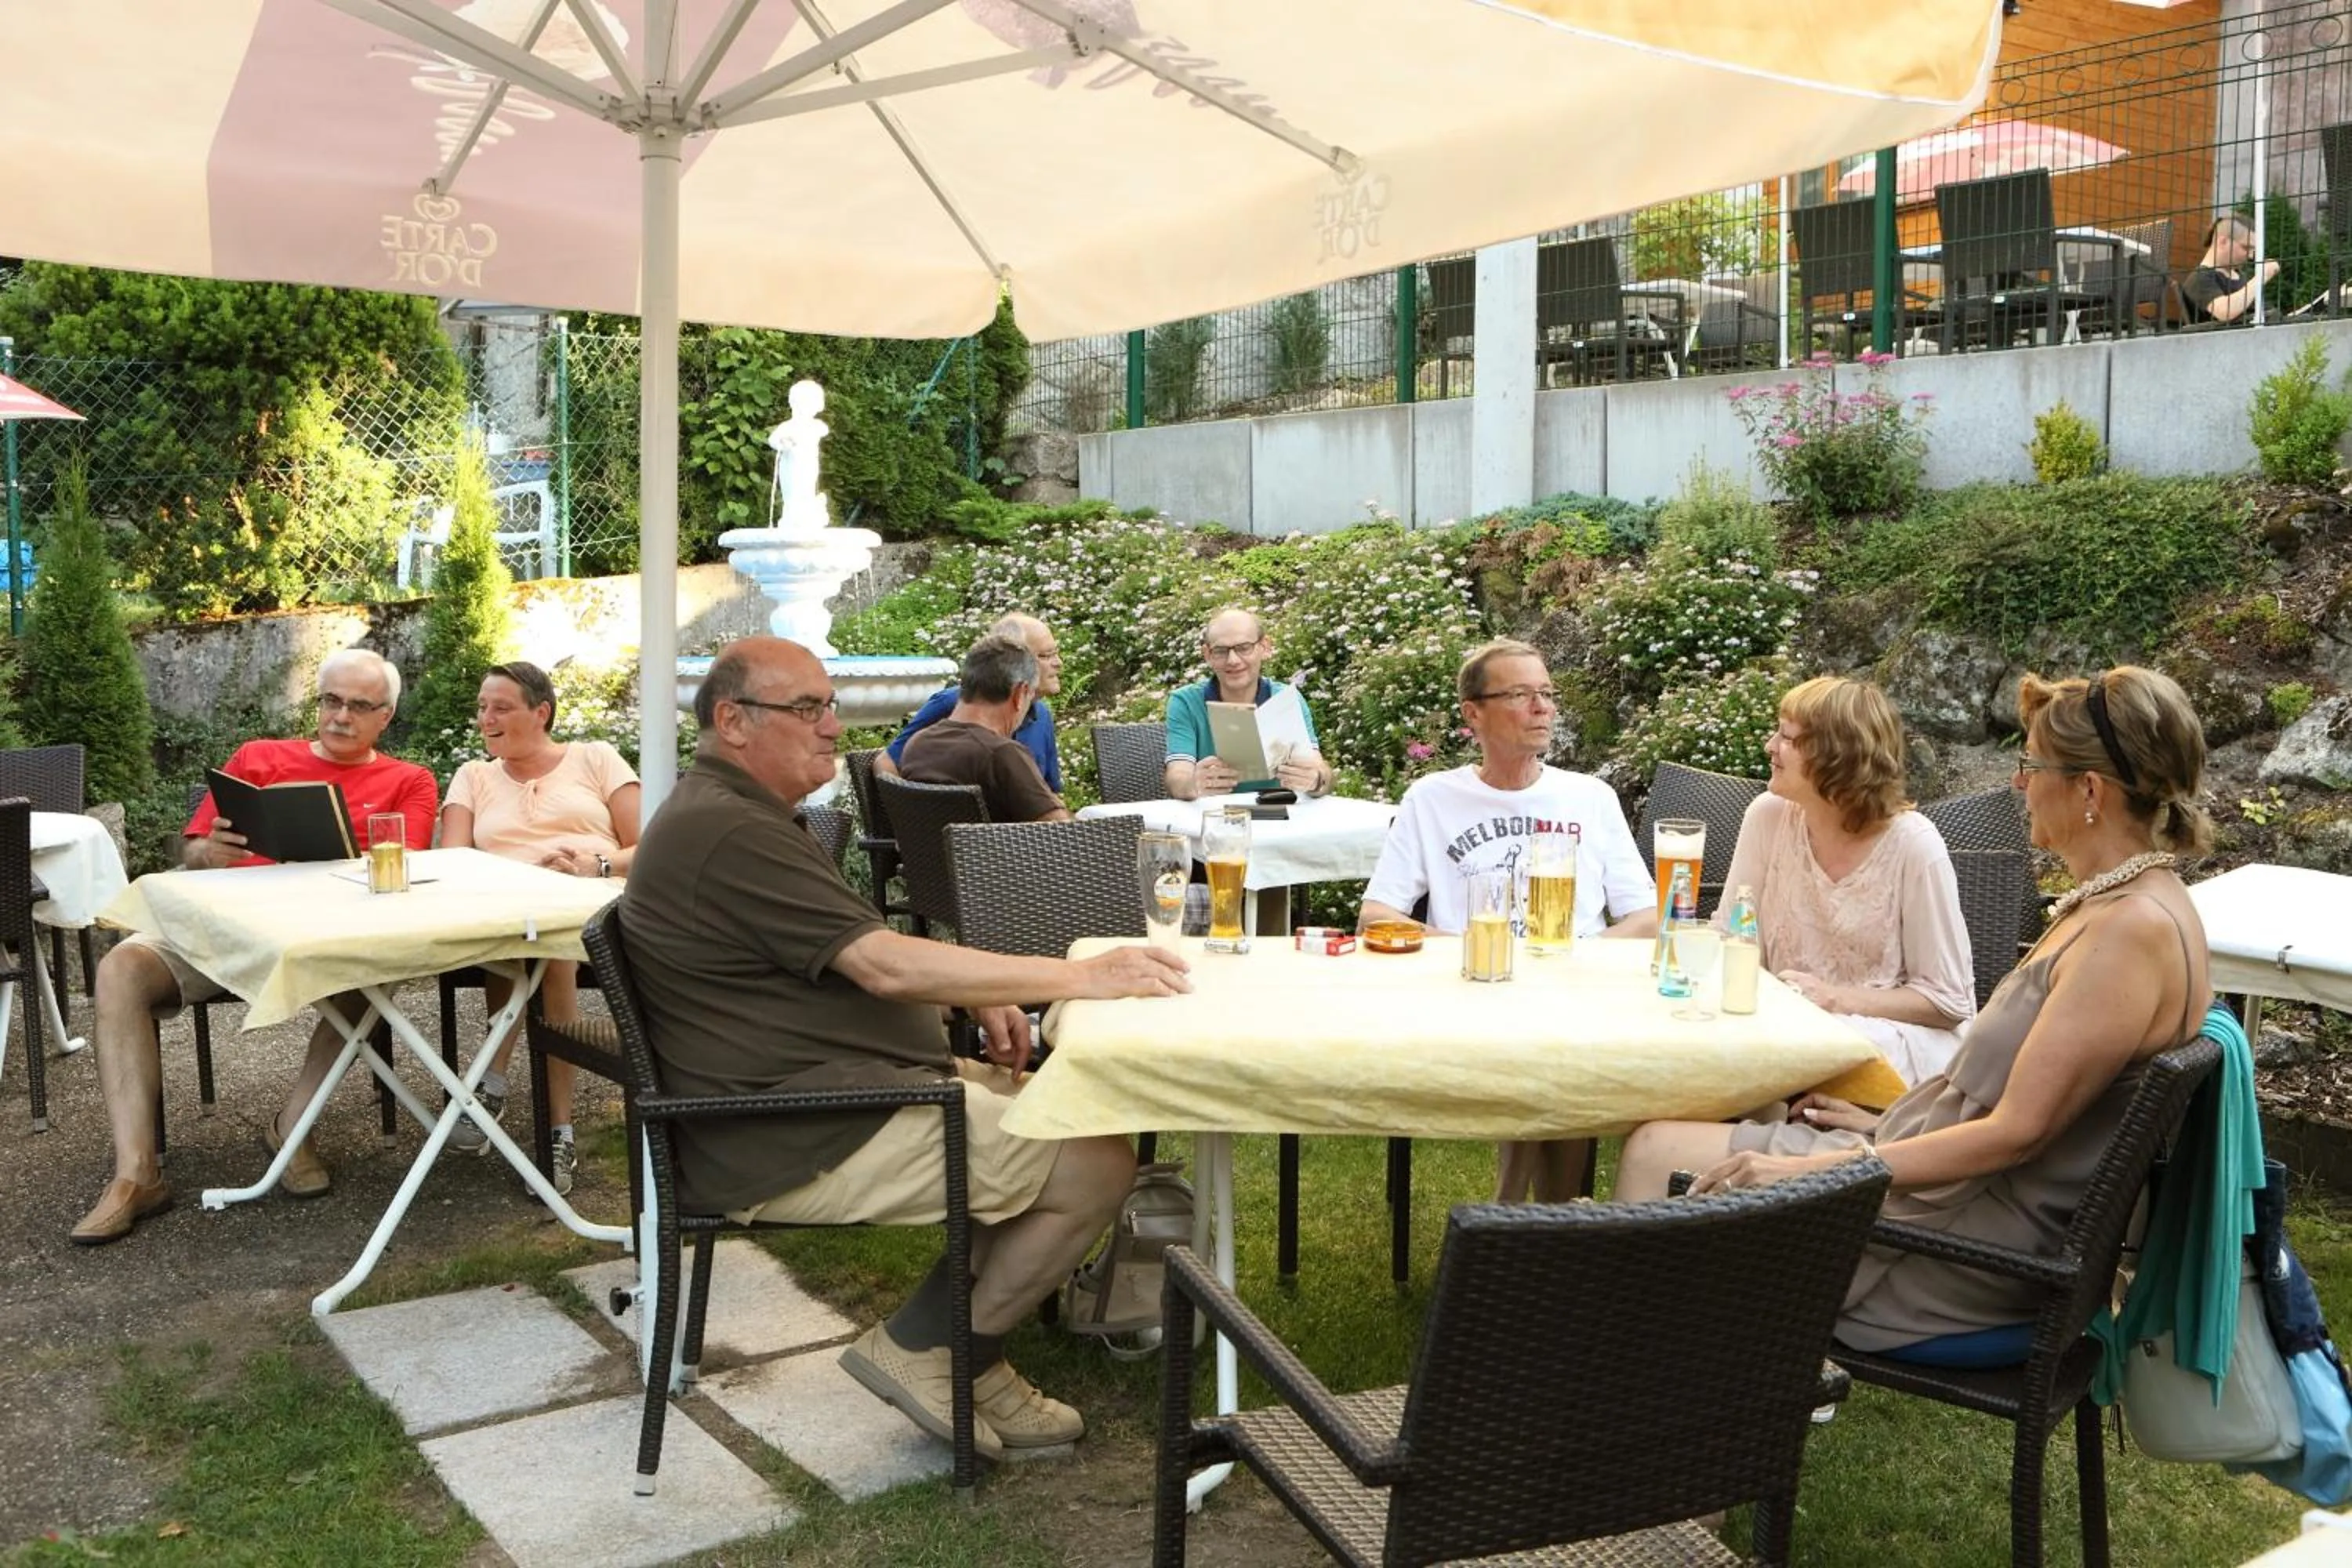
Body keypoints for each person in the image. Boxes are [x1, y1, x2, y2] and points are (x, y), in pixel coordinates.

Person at [619, 635, 1191, 1461]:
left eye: (830, 705)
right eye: (807, 709)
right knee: (1093, 1163)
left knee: (1075, 1109)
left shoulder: (732, 812)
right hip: (794, 1128)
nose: (832, 726)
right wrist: (1082, 976)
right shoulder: (727, 829)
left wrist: (972, 990)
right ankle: (939, 1349)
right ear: (733, 722)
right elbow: (882, 966)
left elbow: (847, 946)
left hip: (824, 1096)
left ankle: (964, 1356)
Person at [1617, 667, 2212, 1367]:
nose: (2018, 783)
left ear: (2090, 791)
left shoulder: (2129, 933)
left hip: (1957, 1255)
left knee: (1655, 1153)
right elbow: (2018, 1113)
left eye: (2031, 765)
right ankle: (1681, 1373)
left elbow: (2015, 1136)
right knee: (1669, 1146)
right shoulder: (2130, 904)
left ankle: (1637, 1381)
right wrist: (1884, 1123)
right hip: (1951, 1199)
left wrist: (1831, 1167)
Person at [71, 648, 439, 1245]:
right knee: (121, 969)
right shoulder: (257, 758)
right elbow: (191, 850)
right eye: (331, 700)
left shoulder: (409, 780)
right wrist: (205, 852)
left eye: (358, 706)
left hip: (328, 931)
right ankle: (136, 1175)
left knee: (368, 969)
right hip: (225, 925)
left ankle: (291, 1128)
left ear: (386, 716)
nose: (340, 716)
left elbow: (407, 866)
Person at [1358, 638, 1656, 1203]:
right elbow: (1376, 916)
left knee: (1557, 1034)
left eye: (1547, 693)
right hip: (1472, 993)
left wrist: (1574, 957)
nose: (1542, 707)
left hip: (1576, 991)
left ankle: (1519, 1212)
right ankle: (1548, 1218)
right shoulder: (1433, 798)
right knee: (1544, 1040)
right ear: (1473, 714)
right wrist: (1469, 948)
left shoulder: (1589, 798)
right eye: (1520, 694)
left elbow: (1645, 918)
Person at [437, 661, 641, 1193]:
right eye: (482, 707)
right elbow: (451, 862)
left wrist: (594, 866)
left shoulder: (596, 758)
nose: (486, 718)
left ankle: (504, 1091)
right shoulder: (473, 776)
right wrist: (515, 877)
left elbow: (650, 847)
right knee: (529, 932)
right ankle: (550, 1129)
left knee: (550, 942)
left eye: (501, 707)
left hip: (592, 903)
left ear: (541, 712)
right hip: (507, 908)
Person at [1716, 677, 1975, 1089]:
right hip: (1784, 1039)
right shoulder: (1768, 817)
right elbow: (1730, 939)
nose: (1770, 746)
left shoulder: (1914, 846)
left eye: (1786, 737)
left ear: (1835, 756)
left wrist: (1836, 999)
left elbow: (1948, 1002)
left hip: (1890, 1053)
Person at [877, 614, 1063, 794]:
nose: (1059, 663)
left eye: (1056, 653)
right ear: (1012, 661)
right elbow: (886, 763)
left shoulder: (1042, 715)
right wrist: (905, 809)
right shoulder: (954, 704)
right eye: (1046, 656)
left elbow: (1050, 791)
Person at [898, 633, 1071, 824]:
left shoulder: (917, 745)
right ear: (1019, 694)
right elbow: (1061, 829)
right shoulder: (1000, 754)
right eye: (1030, 696)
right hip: (1000, 846)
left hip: (931, 845)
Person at [1163, 607, 1331, 800]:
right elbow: (1178, 774)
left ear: (1265, 647)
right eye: (1221, 651)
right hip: (1213, 813)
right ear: (1208, 655)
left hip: (1277, 811)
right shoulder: (1185, 702)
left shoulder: (1286, 699)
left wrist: (1316, 780)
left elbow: (1320, 770)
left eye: (1244, 648)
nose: (1233, 660)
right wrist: (1192, 783)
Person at [2183, 216, 2280, 326]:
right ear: (2223, 242)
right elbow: (2225, 312)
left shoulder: (2239, 275)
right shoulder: (2200, 279)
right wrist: (2261, 277)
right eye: (2246, 248)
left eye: (2253, 250)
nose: (2251, 256)